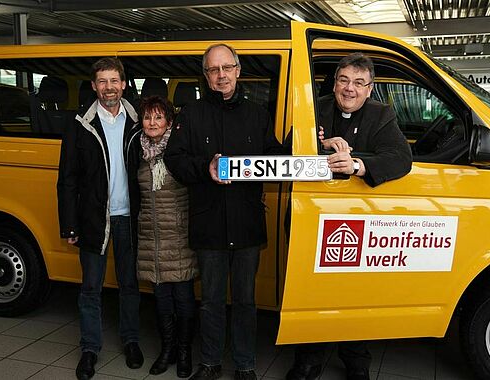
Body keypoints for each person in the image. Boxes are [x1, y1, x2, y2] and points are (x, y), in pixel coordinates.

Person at [285, 52, 412, 380]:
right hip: (312, 222)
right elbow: (285, 150)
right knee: (310, 291)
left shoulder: (381, 114)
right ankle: (308, 359)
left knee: (355, 292)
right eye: (344, 80)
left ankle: (356, 361)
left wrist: (358, 165)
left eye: (359, 83)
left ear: (370, 88)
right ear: (335, 82)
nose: (350, 89)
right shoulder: (316, 109)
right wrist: (321, 143)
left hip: (358, 223)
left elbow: (400, 158)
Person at [164, 43, 285, 380]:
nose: (221, 75)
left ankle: (245, 365)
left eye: (226, 68)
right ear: (205, 76)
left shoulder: (258, 114)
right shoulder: (190, 115)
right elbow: (174, 160)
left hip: (247, 225)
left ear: (238, 70)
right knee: (212, 301)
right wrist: (207, 167)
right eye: (213, 70)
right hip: (209, 224)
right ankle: (211, 362)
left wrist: (303, 144)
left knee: (246, 303)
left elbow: (274, 158)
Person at [57, 57, 143, 380]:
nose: (109, 88)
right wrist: (69, 224)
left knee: (130, 285)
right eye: (102, 82)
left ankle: (131, 340)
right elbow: (68, 179)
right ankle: (90, 349)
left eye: (114, 81)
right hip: (95, 220)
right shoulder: (81, 123)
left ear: (123, 84)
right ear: (94, 86)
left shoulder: (136, 120)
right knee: (90, 288)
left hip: (129, 220)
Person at [136, 95, 197, 378]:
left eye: (158, 117)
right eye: (148, 117)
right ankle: (167, 349)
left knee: (183, 298)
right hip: (151, 236)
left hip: (179, 235)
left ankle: (184, 351)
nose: (152, 122)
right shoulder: (137, 151)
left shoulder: (180, 150)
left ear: (169, 122)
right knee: (161, 300)